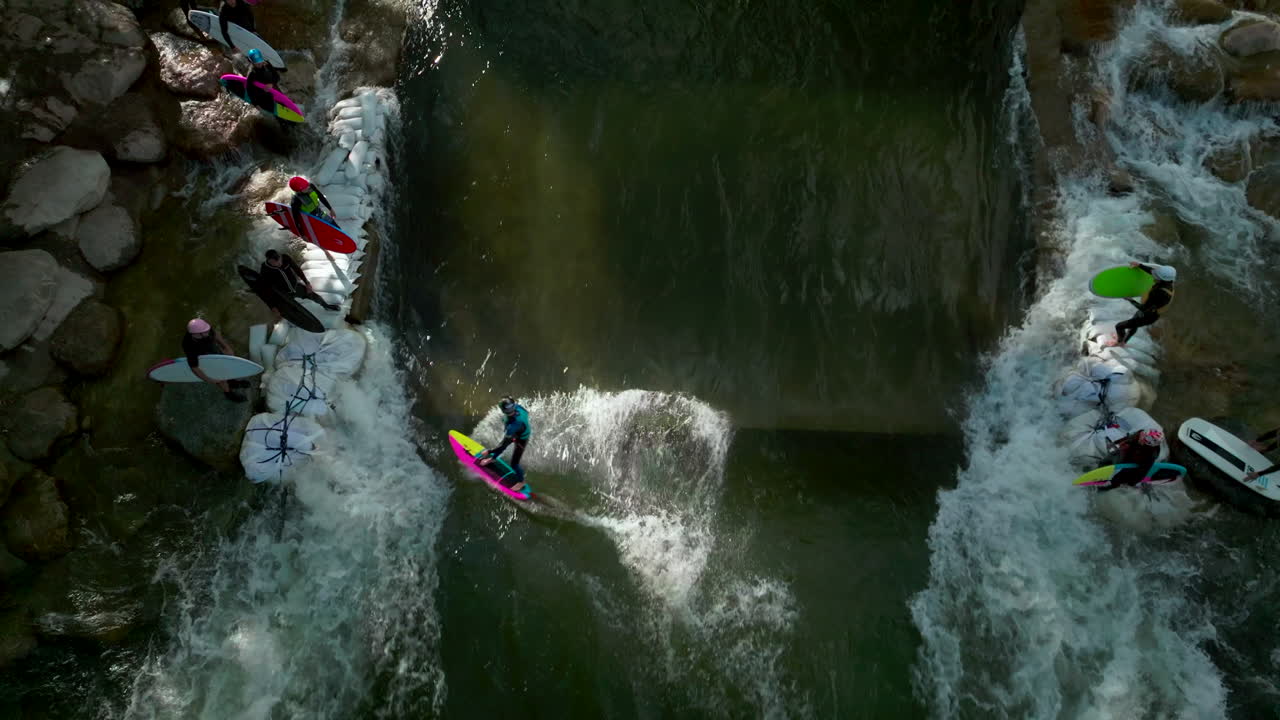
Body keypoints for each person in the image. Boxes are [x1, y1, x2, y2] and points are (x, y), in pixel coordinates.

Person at [183, 318, 248, 402]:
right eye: (206, 332)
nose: (208, 332)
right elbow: (194, 367)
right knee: (220, 378)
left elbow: (215, 334)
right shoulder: (189, 346)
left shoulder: (204, 328)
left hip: (212, 349)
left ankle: (232, 382)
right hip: (203, 358)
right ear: (196, 335)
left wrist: (226, 347)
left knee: (225, 367)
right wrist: (208, 379)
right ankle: (228, 393)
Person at [1111, 262, 1175, 347]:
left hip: (1148, 317)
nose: (1153, 276)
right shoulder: (1168, 282)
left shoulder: (1160, 294)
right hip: (1147, 312)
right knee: (1133, 325)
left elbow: (1144, 308)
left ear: (1161, 279)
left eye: (1156, 276)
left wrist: (1130, 300)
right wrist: (1140, 265)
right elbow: (1153, 272)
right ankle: (1124, 341)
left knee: (1119, 326)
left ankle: (1119, 342)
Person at [477, 397, 532, 490]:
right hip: (517, 432)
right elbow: (526, 413)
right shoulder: (518, 407)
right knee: (502, 445)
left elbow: (503, 444)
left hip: (522, 438)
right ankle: (492, 459)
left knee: (514, 463)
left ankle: (521, 482)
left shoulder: (513, 426)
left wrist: (488, 451)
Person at [259, 249, 340, 311]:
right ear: (269, 261)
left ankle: (326, 306)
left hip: (295, 286)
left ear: (280, 256)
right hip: (284, 293)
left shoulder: (285, 258)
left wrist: (307, 283)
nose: (279, 264)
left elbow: (297, 270)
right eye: (275, 263)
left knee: (314, 296)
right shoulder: (265, 269)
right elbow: (266, 288)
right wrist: (272, 306)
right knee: (291, 309)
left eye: (279, 260)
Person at [244, 48, 280, 113]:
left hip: (274, 91)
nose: (260, 64)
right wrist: (255, 104)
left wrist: (271, 84)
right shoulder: (251, 74)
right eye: (257, 63)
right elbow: (249, 89)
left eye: (260, 62)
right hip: (263, 98)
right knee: (276, 115)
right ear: (252, 62)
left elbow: (277, 77)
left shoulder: (267, 64)